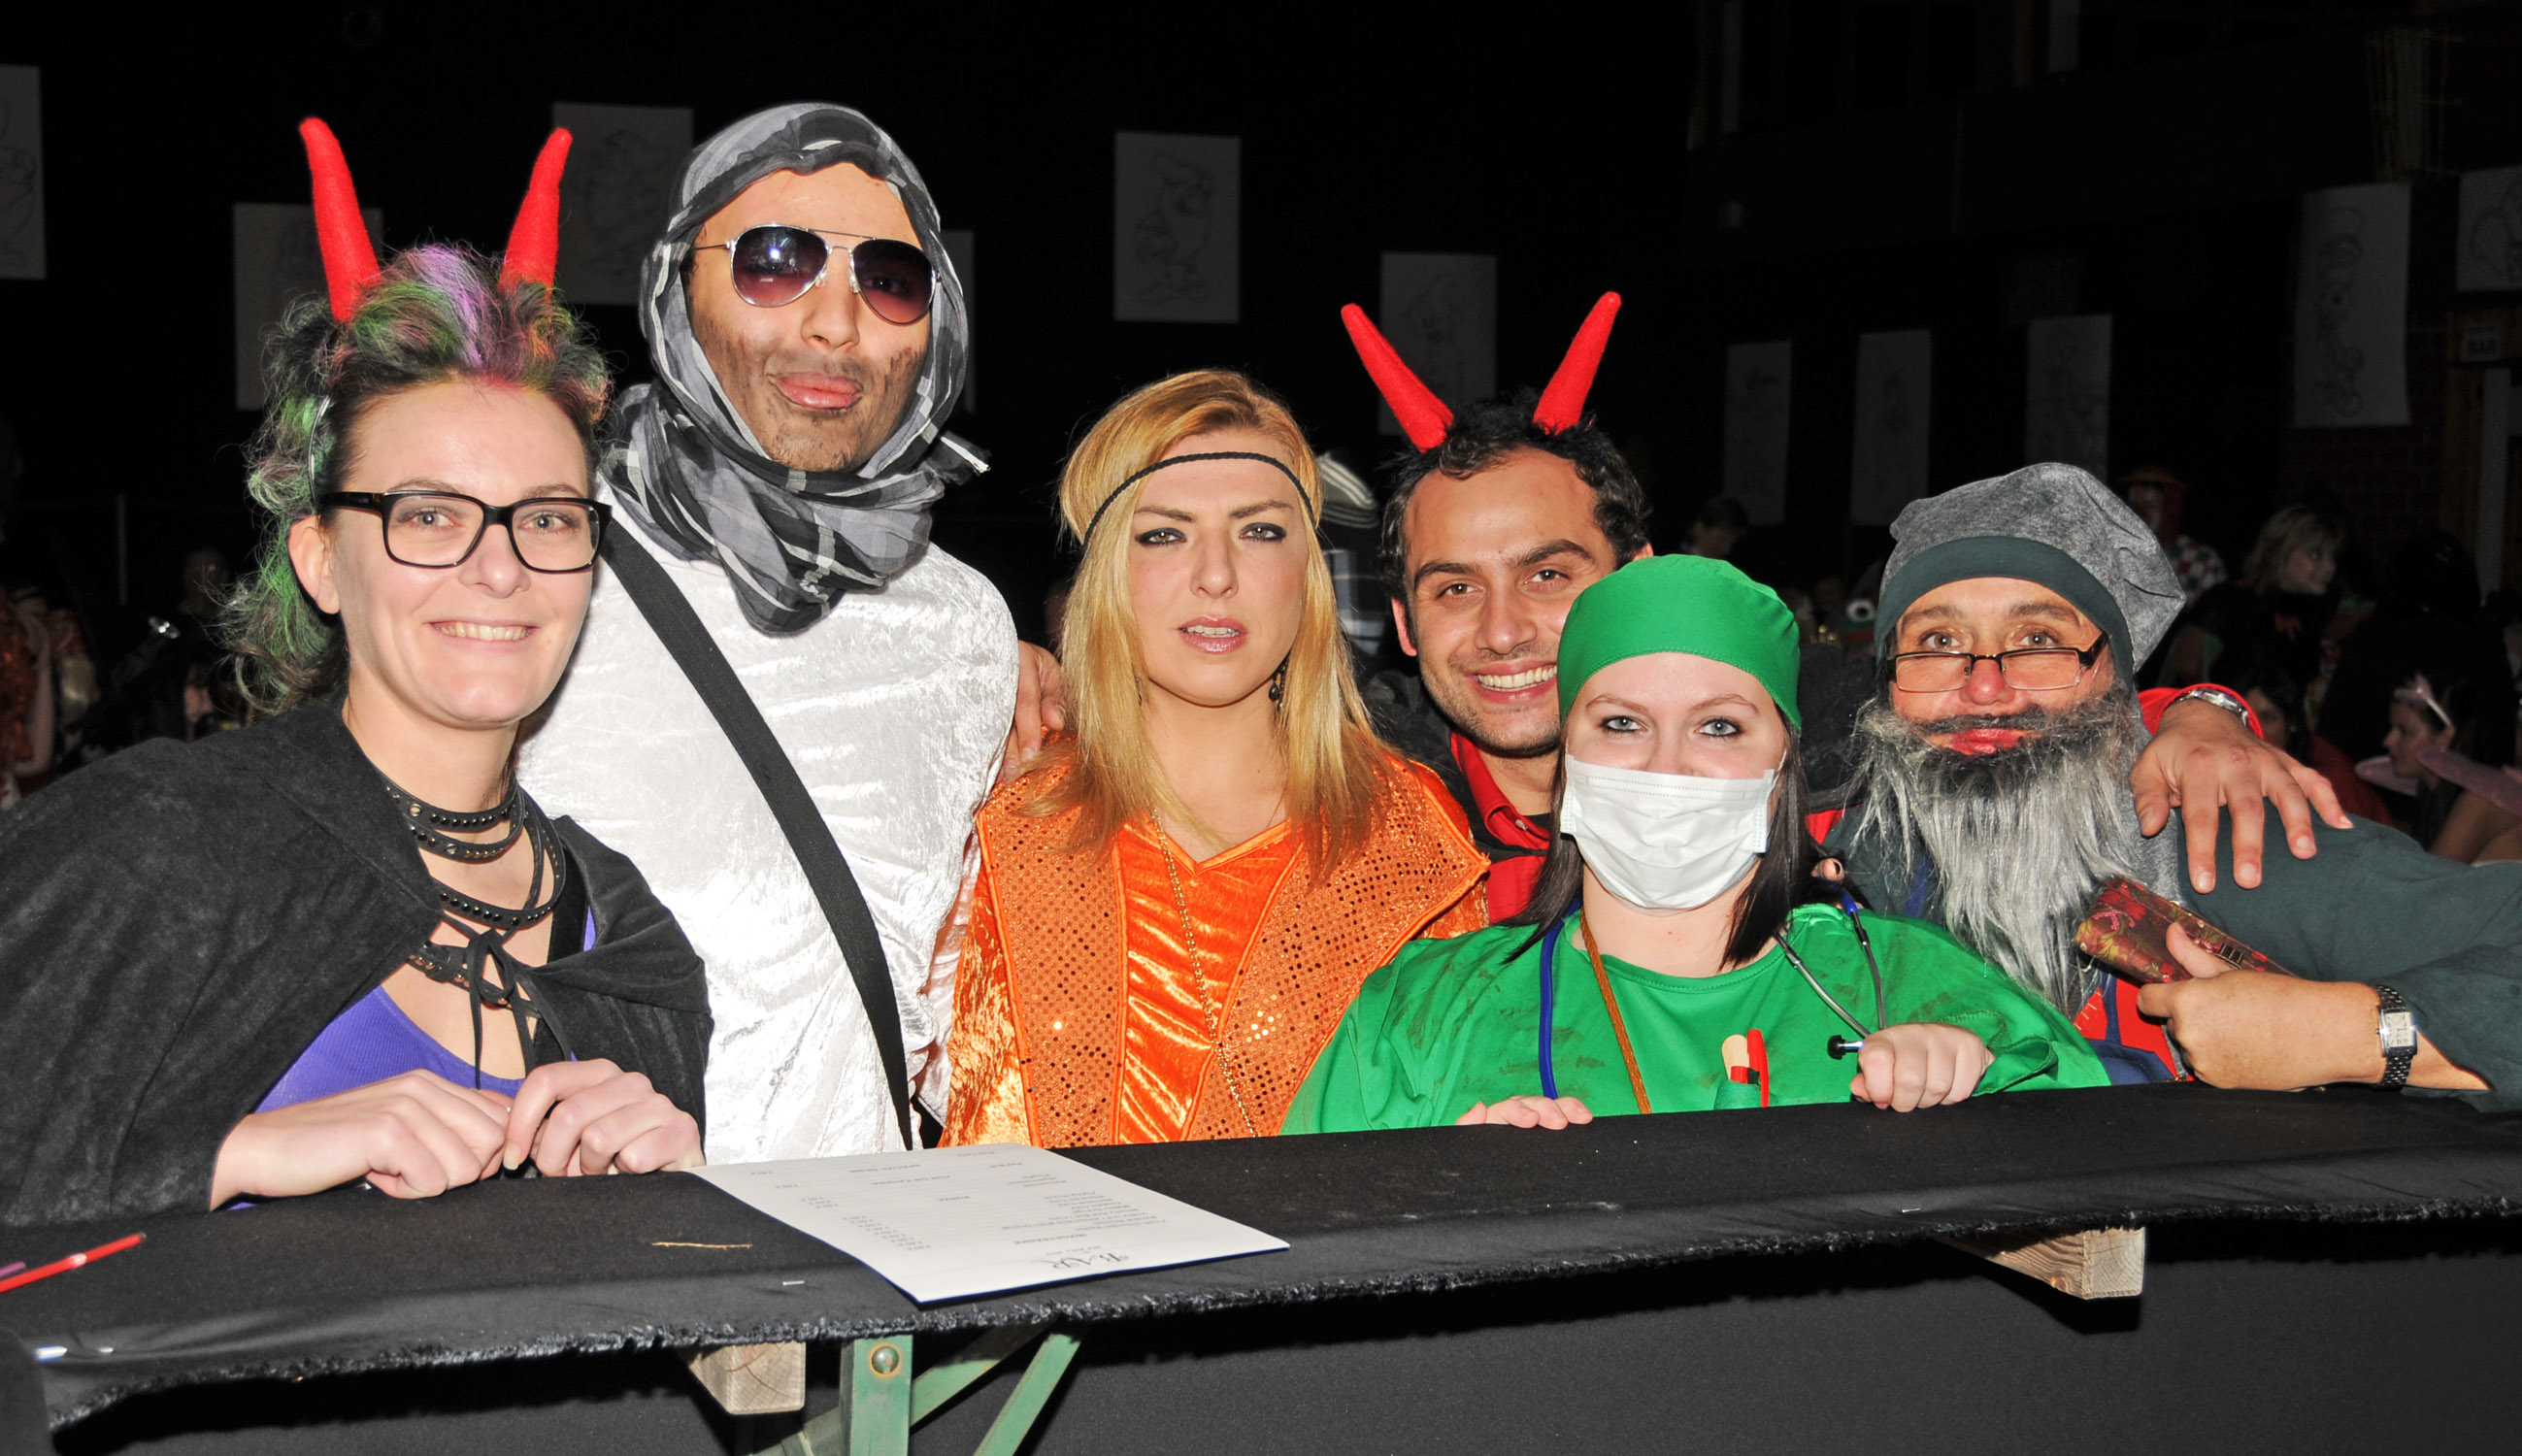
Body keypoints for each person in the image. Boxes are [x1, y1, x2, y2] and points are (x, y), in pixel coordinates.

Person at [0, 123, 708, 1224]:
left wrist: (668, 1199)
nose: (499, 568)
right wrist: (233, 1155)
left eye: (547, 519)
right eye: (428, 515)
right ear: (321, 560)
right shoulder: (158, 846)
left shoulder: (627, 939)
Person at [1340, 297, 2338, 924]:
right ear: (1406, 622)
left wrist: (2197, 716)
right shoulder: (1357, 800)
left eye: (1550, 576)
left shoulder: (1810, 734)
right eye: (1455, 588)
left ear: (1641, 580)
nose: (1503, 630)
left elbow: (1999, 701)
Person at [518, 105, 1043, 1160]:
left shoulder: (965, 627)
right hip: (604, 1232)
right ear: (677, 285)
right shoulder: (542, 562)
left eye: (889, 278)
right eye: (774, 263)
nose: (835, 325)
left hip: (872, 1241)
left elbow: (949, 1001)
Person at [1284, 555, 2104, 1134]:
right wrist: (1434, 1196)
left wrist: (1977, 1098)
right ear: (1565, 760)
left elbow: (2100, 1191)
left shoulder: (1914, 983)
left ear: (1782, 768)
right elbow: (1310, 1263)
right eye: (1620, 724)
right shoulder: (1419, 1013)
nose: (1665, 766)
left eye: (1719, 727)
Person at [1823, 463, 2522, 1106]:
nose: (1984, 687)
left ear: (2115, 678)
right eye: (1939, 642)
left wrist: (2350, 1035)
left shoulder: (2223, 847)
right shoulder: (1833, 854)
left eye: (2038, 640)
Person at [941, 371, 1488, 1147]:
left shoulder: (1405, 834)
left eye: (1259, 531)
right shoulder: (998, 806)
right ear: (1106, 572)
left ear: (1310, 568)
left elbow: (1449, 1119)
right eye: (1163, 534)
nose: (1217, 576)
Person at [2160, 502, 2344, 693]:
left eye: (2333, 557)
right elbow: (2185, 667)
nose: (2329, 567)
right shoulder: (2227, 600)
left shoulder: (2316, 616)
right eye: (2315, 555)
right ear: (2279, 551)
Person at [2378, 672, 2522, 861]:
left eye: (2405, 731)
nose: (2388, 741)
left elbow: (2431, 876)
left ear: (2445, 737)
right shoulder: (2437, 798)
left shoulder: (2479, 800)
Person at [2118, 465, 2225, 606]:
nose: (2140, 515)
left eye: (2150, 505)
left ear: (2170, 508)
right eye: (2135, 507)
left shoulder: (2202, 560)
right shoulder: (2119, 554)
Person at [1682, 494, 1748, 560]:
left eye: (1732, 543)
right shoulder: (1678, 561)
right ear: (1699, 528)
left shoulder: (1720, 565)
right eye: (1721, 539)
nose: (1726, 550)